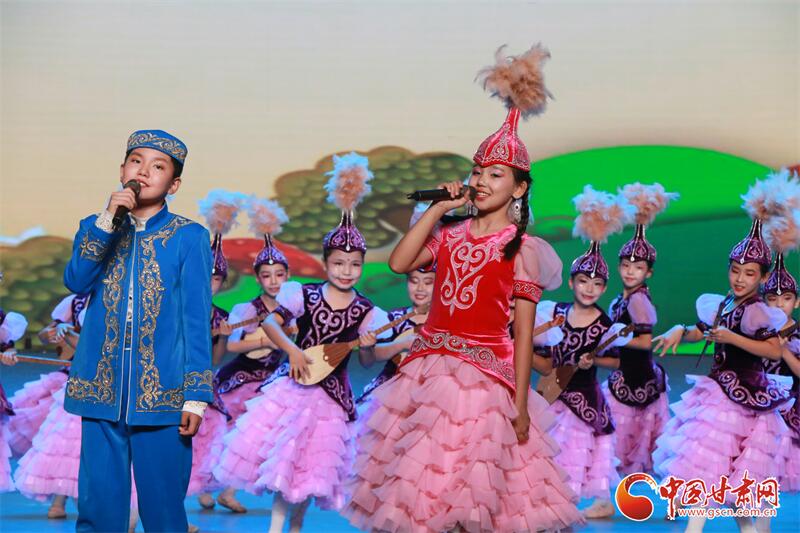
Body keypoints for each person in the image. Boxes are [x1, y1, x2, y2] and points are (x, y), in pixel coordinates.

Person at [343, 45, 584, 532]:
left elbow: (522, 334)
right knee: (422, 495)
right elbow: (400, 262)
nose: (482, 181)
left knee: (472, 498)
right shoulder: (449, 234)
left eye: (496, 174)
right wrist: (436, 208)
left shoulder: (522, 248)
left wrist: (520, 405)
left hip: (483, 380)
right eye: (477, 172)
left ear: (519, 187)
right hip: (428, 372)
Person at [215, 152, 390, 533]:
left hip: (331, 398)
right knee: (285, 461)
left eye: (355, 264)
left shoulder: (366, 310)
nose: (346, 271)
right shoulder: (304, 294)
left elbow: (366, 361)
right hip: (293, 391)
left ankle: (295, 526)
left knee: (311, 468)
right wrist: (292, 351)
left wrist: (367, 346)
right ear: (326, 263)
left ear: (362, 265)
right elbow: (272, 323)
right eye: (339, 263)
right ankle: (276, 529)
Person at [62, 130, 213, 532]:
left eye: (158, 166)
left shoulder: (189, 237)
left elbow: (196, 320)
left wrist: (196, 396)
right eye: (136, 161)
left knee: (164, 511)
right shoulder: (95, 227)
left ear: (174, 184)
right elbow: (77, 280)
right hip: (101, 390)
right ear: (122, 170)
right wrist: (107, 221)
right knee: (98, 508)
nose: (144, 172)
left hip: (163, 394)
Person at [653, 190, 791, 533]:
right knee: (710, 468)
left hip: (746, 398)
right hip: (718, 392)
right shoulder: (724, 303)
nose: (740, 279)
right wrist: (680, 330)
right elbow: (705, 332)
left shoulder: (757, 310)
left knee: (729, 474)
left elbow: (773, 351)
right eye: (735, 271)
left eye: (749, 273)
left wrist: (733, 338)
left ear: (762, 278)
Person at [537, 186, 634, 519]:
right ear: (571, 283)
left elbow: (617, 362)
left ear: (604, 288)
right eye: (583, 282)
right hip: (552, 392)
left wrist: (594, 360)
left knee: (574, 450)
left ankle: (571, 502)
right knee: (546, 446)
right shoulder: (554, 313)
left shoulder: (605, 325)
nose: (589, 289)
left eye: (596, 284)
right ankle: (547, 500)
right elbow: (543, 353)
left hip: (583, 398)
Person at [602, 183, 677, 476]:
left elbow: (645, 342)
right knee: (619, 437)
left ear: (649, 272)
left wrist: (613, 337)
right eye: (625, 266)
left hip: (640, 381)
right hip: (625, 375)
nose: (630, 271)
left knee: (635, 439)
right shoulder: (622, 298)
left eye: (638, 268)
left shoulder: (639, 300)